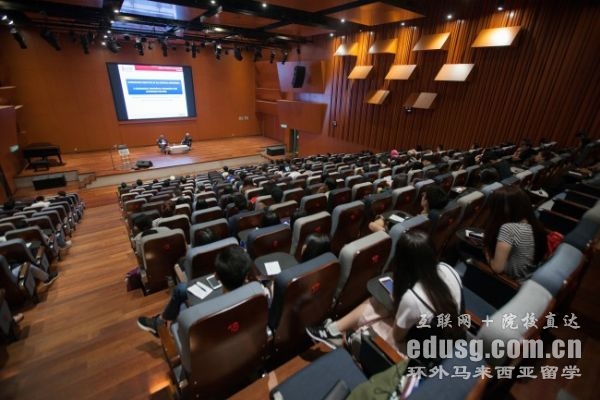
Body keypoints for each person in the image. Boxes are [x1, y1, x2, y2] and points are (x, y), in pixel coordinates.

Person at [305, 231, 462, 353]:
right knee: (378, 303)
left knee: (369, 321)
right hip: (448, 334)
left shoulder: (412, 298)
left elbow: (398, 336)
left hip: (425, 352)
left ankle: (338, 333)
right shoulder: (448, 269)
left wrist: (397, 305)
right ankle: (333, 330)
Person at [137, 245, 256, 337]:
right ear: (246, 276)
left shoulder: (194, 316)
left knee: (182, 303)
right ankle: (160, 321)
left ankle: (159, 323)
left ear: (216, 277)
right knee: (181, 290)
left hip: (203, 337)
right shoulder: (258, 295)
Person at [483, 186, 548, 281]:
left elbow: (497, 268)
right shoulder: (534, 224)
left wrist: (486, 250)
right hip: (526, 279)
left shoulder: (509, 229)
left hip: (508, 283)